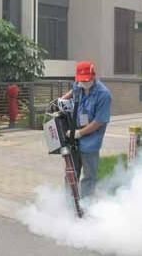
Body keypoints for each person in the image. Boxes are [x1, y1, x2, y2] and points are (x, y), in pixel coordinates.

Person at [61, 60, 112, 199]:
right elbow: (73, 90)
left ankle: (86, 207)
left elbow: (99, 121)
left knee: (89, 176)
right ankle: (68, 203)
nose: (84, 83)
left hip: (90, 141)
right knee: (71, 172)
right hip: (73, 137)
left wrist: (79, 133)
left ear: (93, 75)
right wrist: (62, 100)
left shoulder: (103, 94)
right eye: (81, 80)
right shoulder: (79, 85)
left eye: (87, 80)